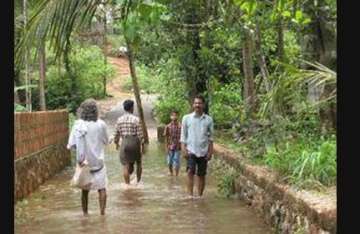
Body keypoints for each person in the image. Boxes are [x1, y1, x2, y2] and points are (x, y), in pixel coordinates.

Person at [67, 99, 110, 216]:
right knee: (102, 188)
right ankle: (102, 214)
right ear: (96, 111)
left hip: (84, 163)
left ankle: (85, 214)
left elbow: (72, 144)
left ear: (82, 111)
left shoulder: (77, 125)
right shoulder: (101, 124)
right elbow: (106, 141)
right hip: (98, 163)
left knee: (84, 191)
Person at [180, 95, 214, 198]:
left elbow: (211, 138)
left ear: (203, 105)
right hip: (191, 150)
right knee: (190, 172)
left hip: (203, 151)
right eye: (195, 103)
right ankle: (190, 195)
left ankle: (200, 196)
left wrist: (210, 152)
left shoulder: (208, 120)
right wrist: (183, 148)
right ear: (193, 104)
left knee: (202, 175)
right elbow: (183, 135)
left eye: (199, 103)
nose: (197, 105)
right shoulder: (186, 118)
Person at [113, 99, 144, 185]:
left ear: (124, 108)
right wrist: (142, 146)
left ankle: (127, 185)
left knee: (125, 166)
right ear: (132, 108)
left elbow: (116, 134)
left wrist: (116, 144)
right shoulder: (136, 119)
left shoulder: (119, 120)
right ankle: (138, 182)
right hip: (135, 142)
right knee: (139, 163)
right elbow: (140, 135)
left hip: (125, 142)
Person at [163, 110, 182, 176]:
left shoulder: (181, 126)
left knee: (176, 161)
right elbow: (166, 137)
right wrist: (166, 147)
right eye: (172, 115)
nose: (174, 117)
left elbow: (183, 137)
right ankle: (171, 173)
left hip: (178, 147)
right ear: (170, 117)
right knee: (169, 162)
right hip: (170, 146)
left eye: (175, 115)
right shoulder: (168, 126)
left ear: (178, 116)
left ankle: (176, 175)